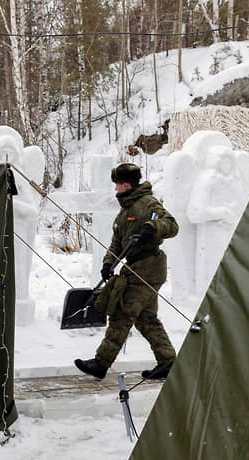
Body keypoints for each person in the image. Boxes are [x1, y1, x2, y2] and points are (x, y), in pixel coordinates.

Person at [75, 163, 178, 381]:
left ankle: (101, 363)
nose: (115, 190)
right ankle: (168, 361)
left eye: (117, 186)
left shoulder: (148, 203)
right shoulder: (125, 211)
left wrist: (152, 229)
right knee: (146, 318)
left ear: (125, 184)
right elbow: (116, 244)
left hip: (148, 267)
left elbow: (171, 224)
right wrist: (107, 264)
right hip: (135, 267)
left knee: (122, 313)